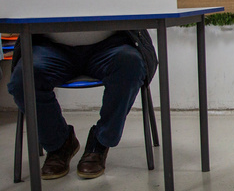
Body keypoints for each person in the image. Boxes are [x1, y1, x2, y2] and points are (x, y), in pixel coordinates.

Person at [7, 30, 157, 180]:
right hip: (50, 48)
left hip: (111, 46)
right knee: (23, 80)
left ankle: (100, 142)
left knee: (130, 64)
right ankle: (60, 144)